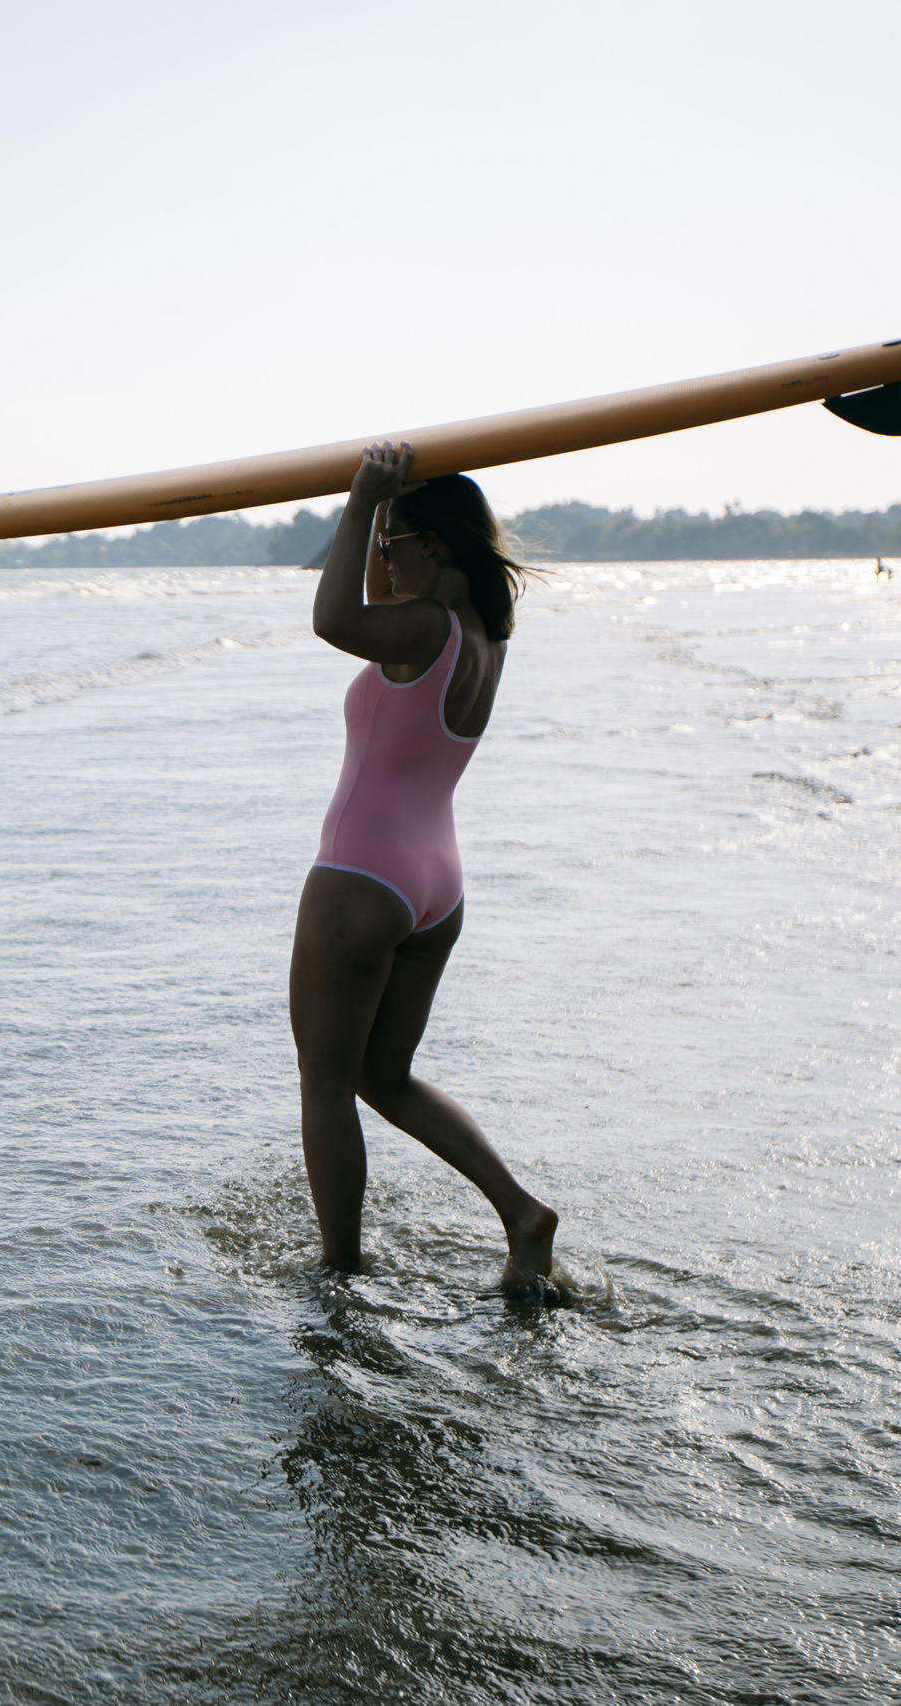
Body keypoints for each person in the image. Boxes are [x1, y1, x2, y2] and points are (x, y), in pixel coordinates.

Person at [291, 441, 558, 1291]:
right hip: (436, 884)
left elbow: (334, 619)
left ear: (429, 544)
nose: (380, 560)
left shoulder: (425, 629)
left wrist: (364, 500)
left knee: (328, 1081)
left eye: (391, 543)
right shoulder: (479, 635)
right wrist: (378, 515)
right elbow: (365, 611)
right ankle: (520, 1211)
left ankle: (339, 1276)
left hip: (363, 878)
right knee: (382, 1073)